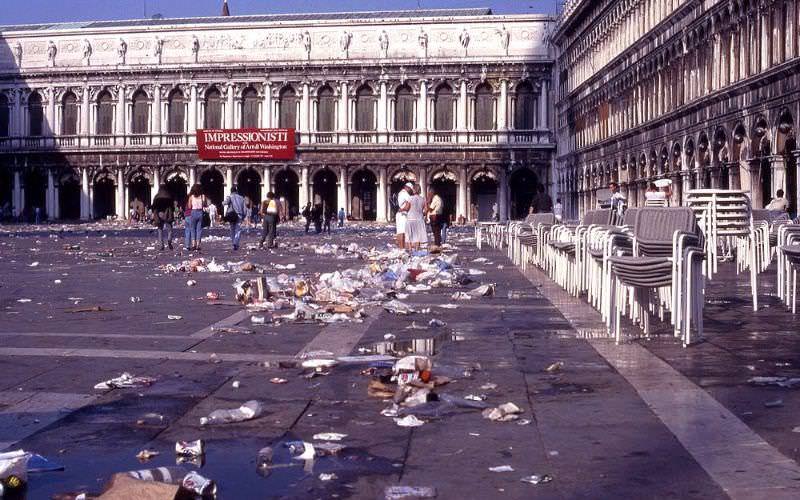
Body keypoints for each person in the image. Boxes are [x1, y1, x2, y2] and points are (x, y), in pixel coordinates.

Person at [403, 184, 428, 251]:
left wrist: (401, 209)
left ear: (413, 190)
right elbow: (426, 210)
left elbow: (407, 208)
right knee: (418, 235)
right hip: (419, 219)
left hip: (411, 218)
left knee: (410, 234)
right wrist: (422, 214)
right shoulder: (423, 199)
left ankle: (410, 249)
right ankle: (416, 249)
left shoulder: (410, 198)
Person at [223, 185, 247, 251]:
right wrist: (243, 216)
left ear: (231, 191)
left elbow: (225, 203)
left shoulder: (229, 197)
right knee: (238, 230)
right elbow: (244, 209)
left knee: (232, 229)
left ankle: (234, 242)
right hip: (239, 215)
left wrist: (223, 202)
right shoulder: (241, 198)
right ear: (236, 191)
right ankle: (236, 243)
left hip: (231, 215)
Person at [185, 184, 206, 251]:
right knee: (199, 229)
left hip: (193, 212)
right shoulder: (203, 196)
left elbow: (189, 206)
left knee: (192, 229)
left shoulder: (191, 197)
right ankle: (198, 245)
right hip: (200, 213)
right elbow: (204, 204)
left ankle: (193, 244)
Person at [395, 183, 413, 248]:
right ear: (407, 187)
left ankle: (401, 248)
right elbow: (410, 202)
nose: (411, 191)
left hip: (400, 214)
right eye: (410, 189)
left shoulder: (400, 193)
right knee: (402, 232)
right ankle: (402, 247)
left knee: (400, 231)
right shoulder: (405, 194)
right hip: (402, 214)